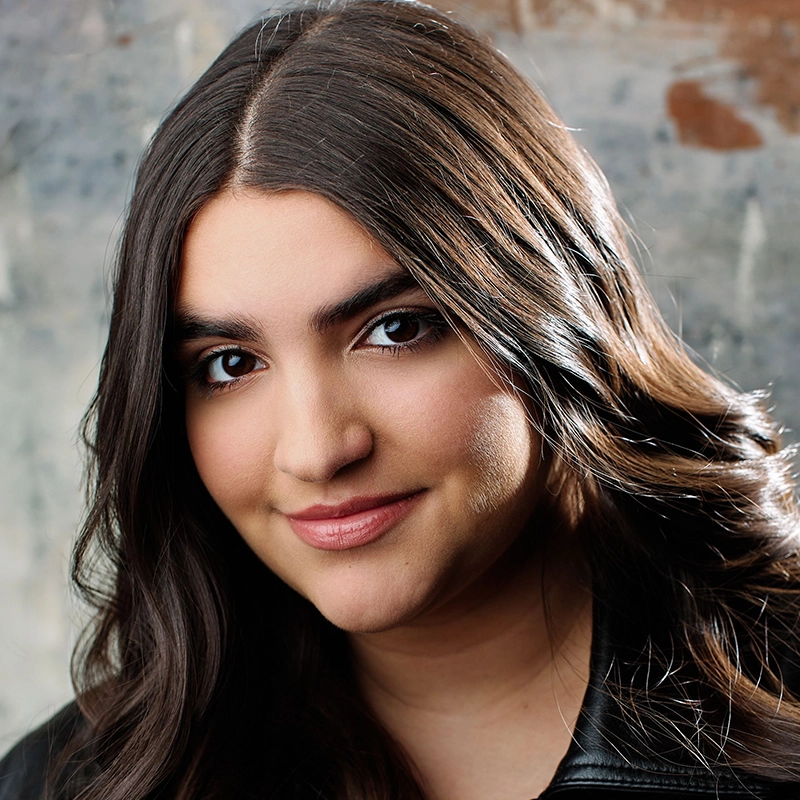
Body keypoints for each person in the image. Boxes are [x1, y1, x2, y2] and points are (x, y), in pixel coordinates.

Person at [2, 1, 800, 798]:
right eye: (231, 362)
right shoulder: (62, 784)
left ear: (551, 309)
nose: (316, 450)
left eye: (397, 329)